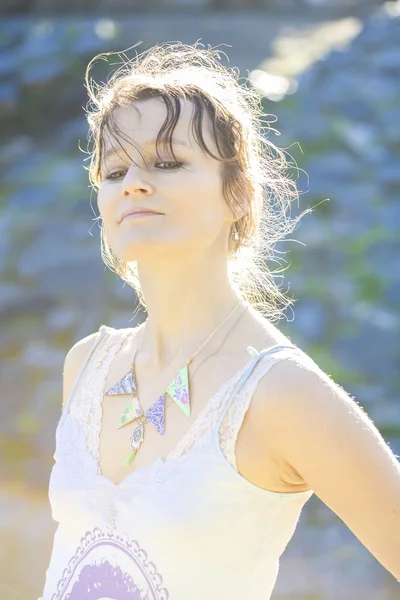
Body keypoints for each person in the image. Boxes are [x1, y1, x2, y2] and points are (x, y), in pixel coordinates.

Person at [38, 41, 400, 599]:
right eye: (113, 170)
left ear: (238, 195)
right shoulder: (86, 364)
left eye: (167, 162)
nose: (133, 182)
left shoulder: (280, 393)